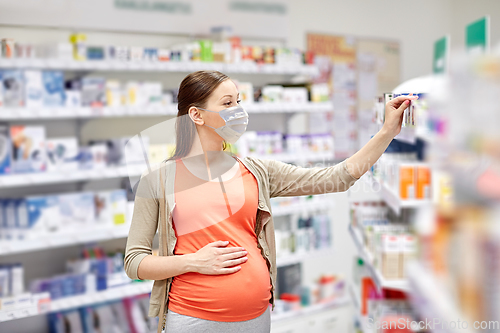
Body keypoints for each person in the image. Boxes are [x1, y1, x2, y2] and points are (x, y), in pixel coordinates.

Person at [124, 70, 417, 333]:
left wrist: (387, 131)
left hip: (256, 316)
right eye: (227, 104)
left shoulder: (256, 170)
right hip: (194, 318)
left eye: (239, 102)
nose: (238, 110)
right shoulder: (158, 180)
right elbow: (135, 262)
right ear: (196, 115)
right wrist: (194, 262)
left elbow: (338, 177)